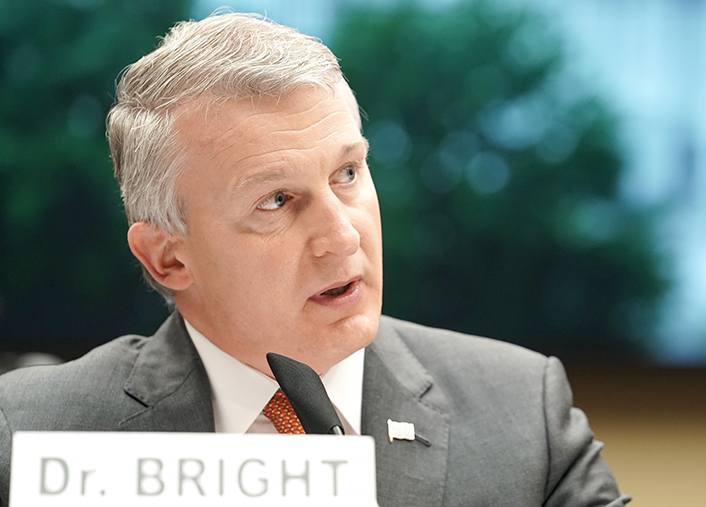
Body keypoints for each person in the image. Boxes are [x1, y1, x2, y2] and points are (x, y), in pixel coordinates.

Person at [0, 12, 630, 506]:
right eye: (277, 200)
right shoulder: (28, 436)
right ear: (168, 259)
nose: (342, 236)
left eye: (348, 173)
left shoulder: (521, 414)